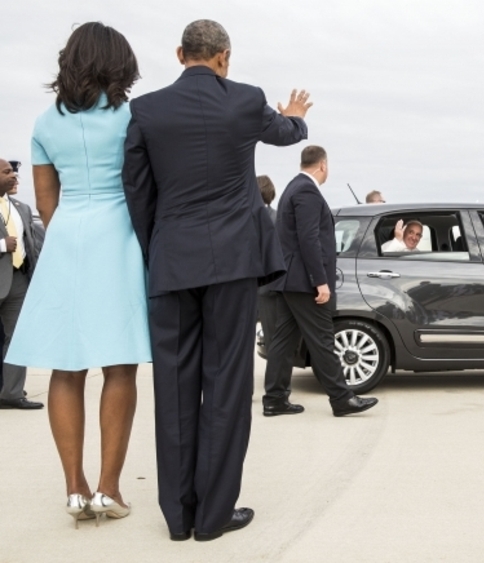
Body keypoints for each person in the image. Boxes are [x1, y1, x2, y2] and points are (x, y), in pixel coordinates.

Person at [122, 19, 310, 542]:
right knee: (226, 384)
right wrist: (295, 116)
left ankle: (177, 518)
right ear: (225, 57)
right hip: (231, 264)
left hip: (171, 262)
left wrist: (156, 248)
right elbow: (286, 132)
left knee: (173, 389)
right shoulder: (247, 100)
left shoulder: (146, 109)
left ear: (180, 53)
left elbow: (137, 191)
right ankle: (214, 515)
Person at [6, 22, 151, 528]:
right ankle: (110, 488)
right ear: (120, 63)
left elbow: (46, 203)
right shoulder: (133, 117)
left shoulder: (46, 124)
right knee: (119, 364)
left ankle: (74, 488)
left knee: (65, 369)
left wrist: (68, 227)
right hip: (120, 237)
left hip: (68, 237)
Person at [263, 146, 378, 417]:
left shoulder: (293, 186)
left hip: (290, 280)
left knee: (282, 340)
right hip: (304, 282)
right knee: (323, 338)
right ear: (323, 165)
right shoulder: (307, 191)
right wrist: (320, 281)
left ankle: (275, 399)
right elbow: (309, 238)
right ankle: (341, 398)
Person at [0, 159, 42, 411]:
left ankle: (11, 394)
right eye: (6, 172)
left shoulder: (22, 208)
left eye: (13, 173)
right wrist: (2, 245)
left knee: (18, 340)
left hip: (17, 281)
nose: (14, 176)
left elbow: (33, 245)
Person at [256, 173, 279, 382]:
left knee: (240, 343)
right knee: (273, 340)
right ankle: (274, 387)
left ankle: (245, 388)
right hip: (270, 287)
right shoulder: (276, 217)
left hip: (246, 286)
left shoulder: (242, 217)